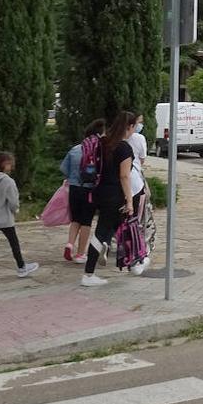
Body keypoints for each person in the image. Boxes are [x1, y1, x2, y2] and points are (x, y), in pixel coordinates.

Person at [82, 112, 136, 287]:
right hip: (115, 195)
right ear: (130, 127)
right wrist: (129, 201)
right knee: (104, 231)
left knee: (121, 227)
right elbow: (124, 176)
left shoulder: (103, 143)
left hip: (100, 191)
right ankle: (88, 274)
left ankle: (132, 261)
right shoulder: (124, 148)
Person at [0, 152, 39, 285]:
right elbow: (13, 201)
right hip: (4, 219)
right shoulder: (8, 181)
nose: (12, 165)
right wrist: (15, 210)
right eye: (10, 163)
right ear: (5, 164)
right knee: (14, 243)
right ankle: (22, 267)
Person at [61, 118, 105, 262]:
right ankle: (80, 253)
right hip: (90, 190)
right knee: (86, 222)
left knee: (75, 219)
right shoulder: (98, 151)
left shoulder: (75, 149)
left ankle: (69, 244)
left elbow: (64, 169)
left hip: (74, 188)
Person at [126, 113, 152, 275]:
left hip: (114, 187)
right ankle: (136, 257)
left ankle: (104, 243)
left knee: (112, 223)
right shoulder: (137, 139)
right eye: (139, 123)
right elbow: (141, 160)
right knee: (136, 221)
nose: (140, 126)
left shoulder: (111, 139)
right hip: (135, 185)